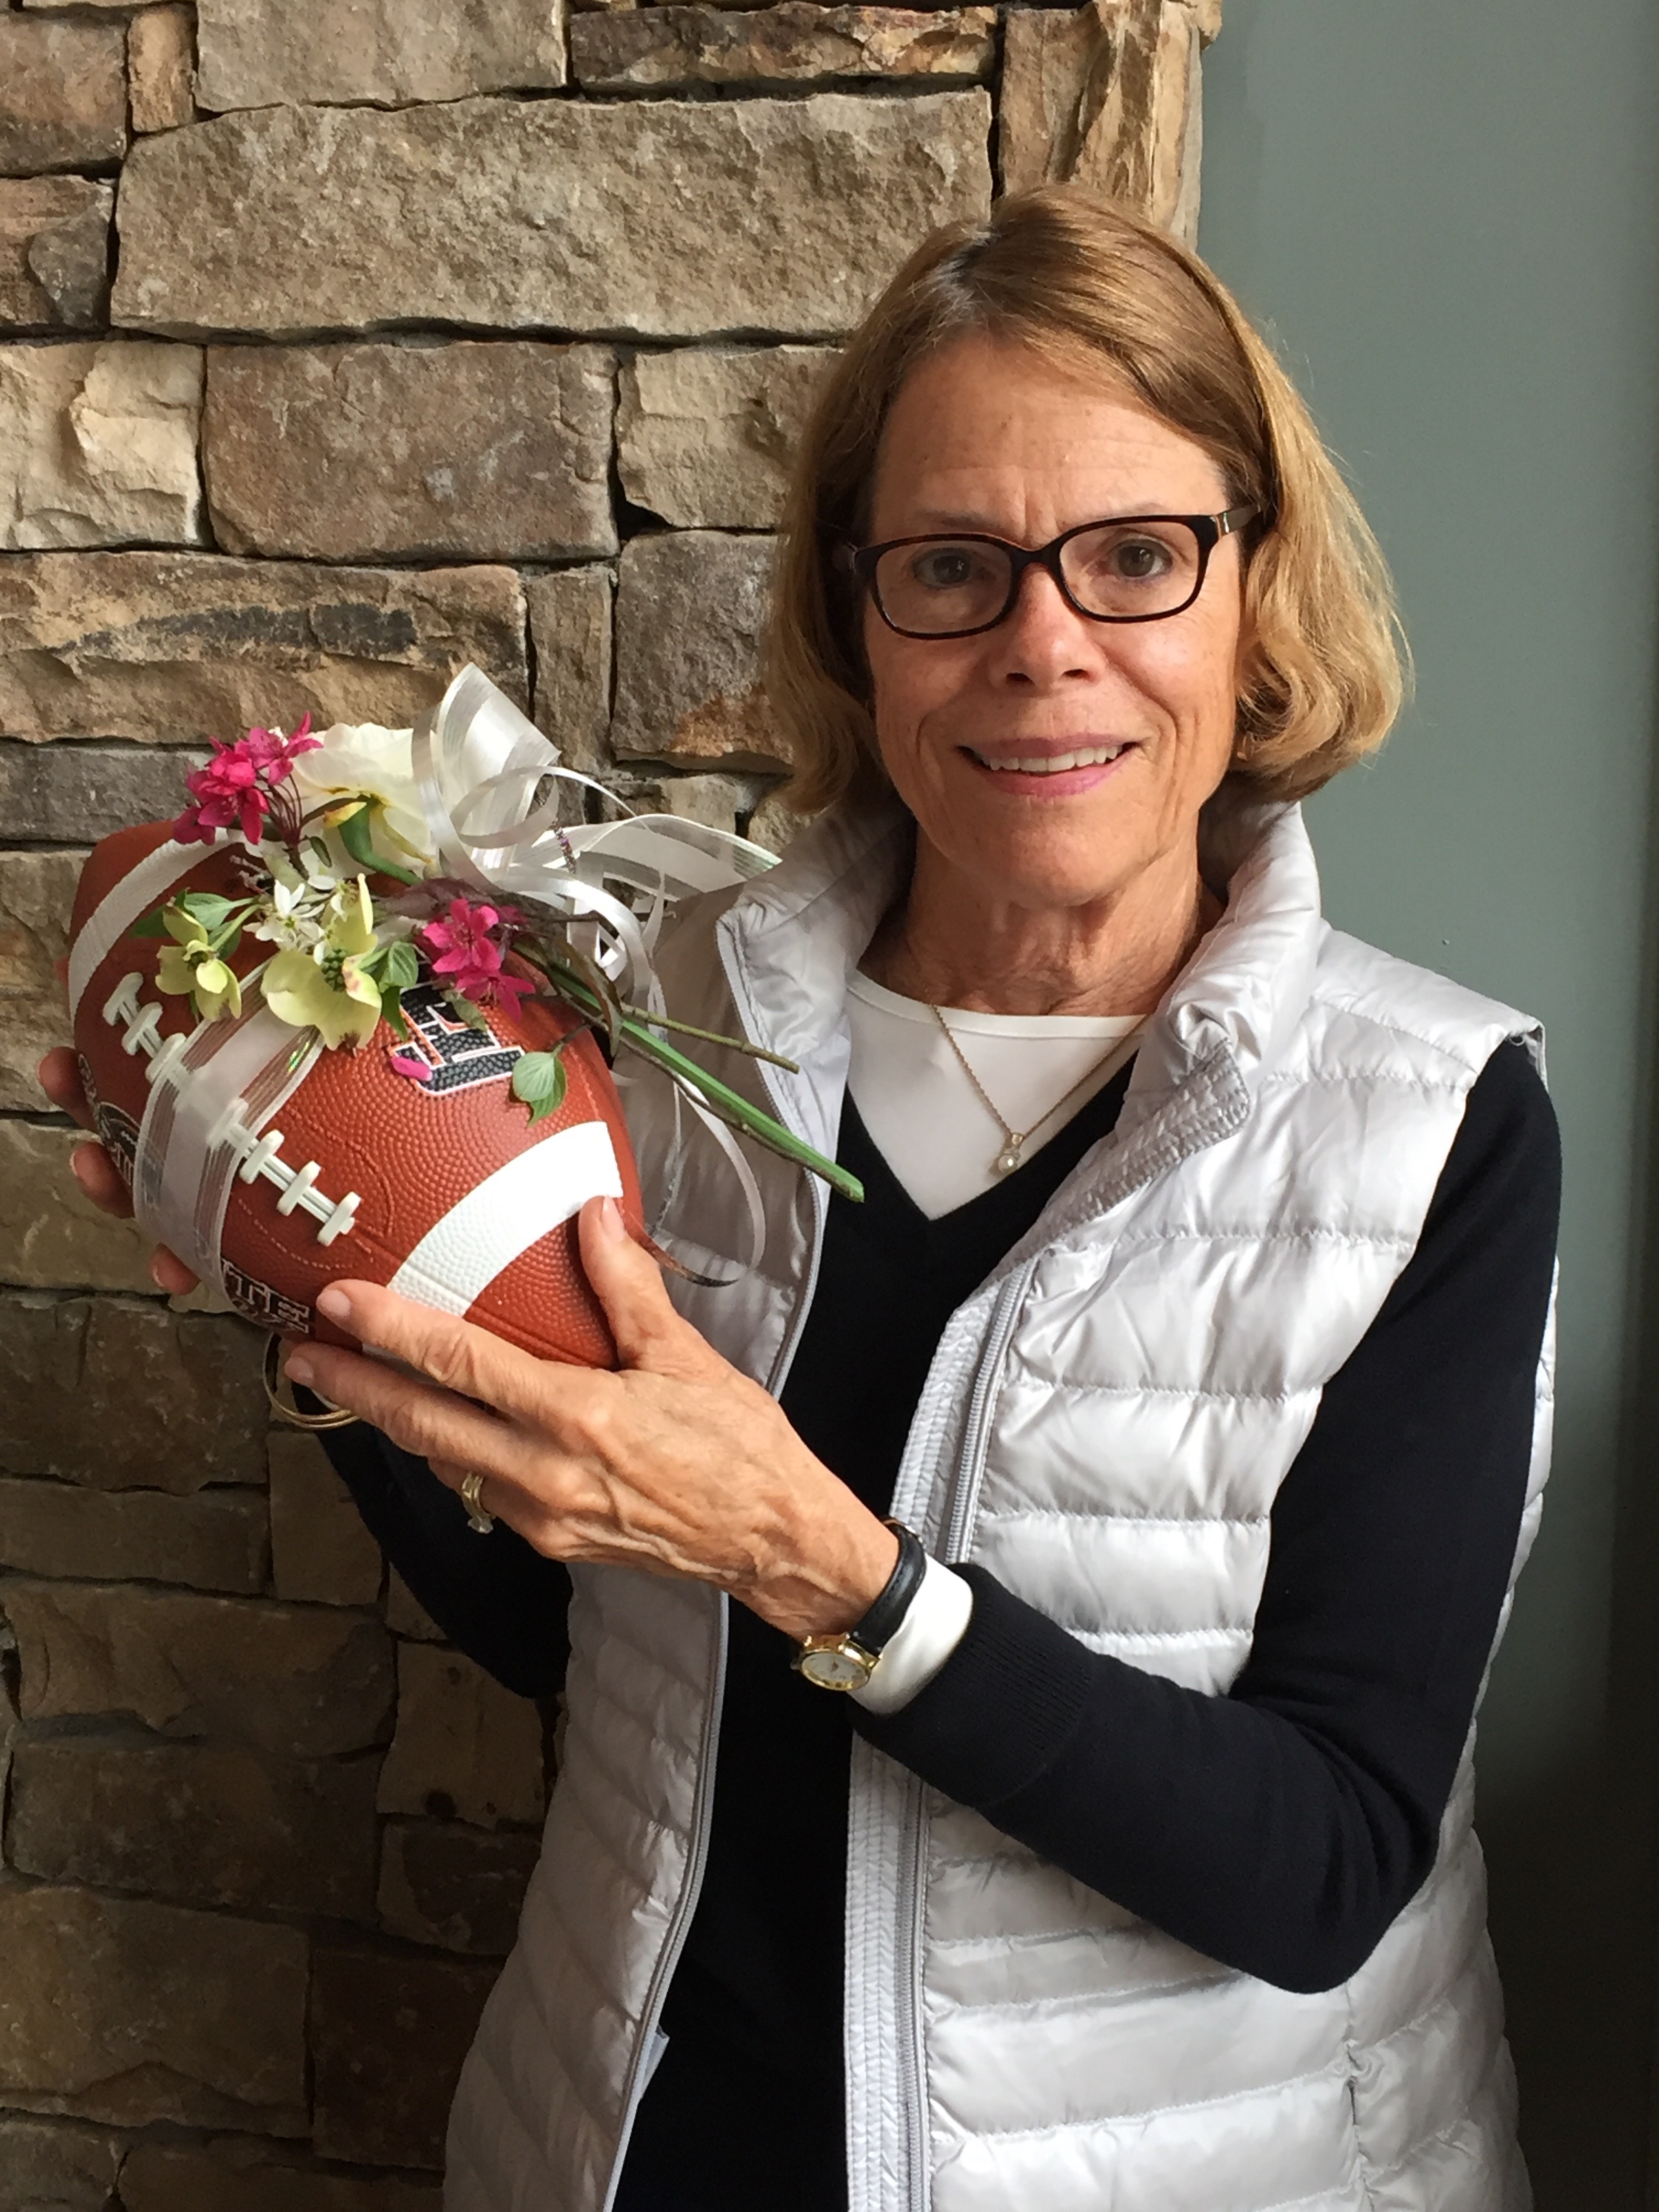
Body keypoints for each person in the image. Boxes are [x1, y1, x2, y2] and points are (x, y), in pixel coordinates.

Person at [45, 187, 1559, 2212]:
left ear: (1256, 593)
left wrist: (835, 1574)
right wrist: (314, 1300)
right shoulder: (647, 1026)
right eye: (951, 567)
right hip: (635, 2145)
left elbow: (1320, 1869)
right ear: (856, 620)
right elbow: (565, 1629)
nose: (1045, 644)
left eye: (1136, 557)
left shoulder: (1432, 1123)